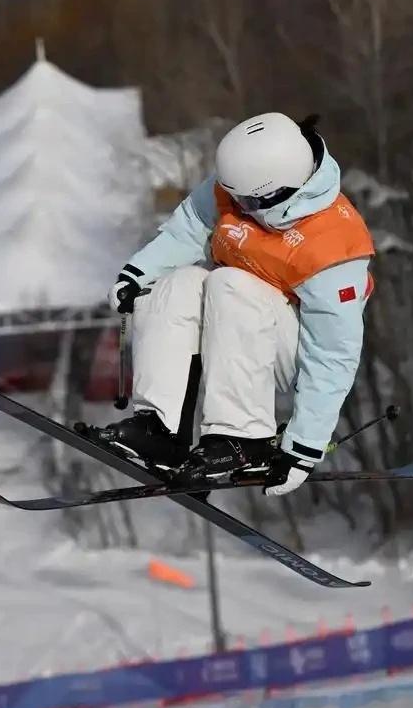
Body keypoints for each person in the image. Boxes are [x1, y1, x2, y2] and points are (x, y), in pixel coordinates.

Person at [100, 112, 374, 497]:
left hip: (288, 349)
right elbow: (191, 226)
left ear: (279, 193)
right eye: (235, 196)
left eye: (246, 200)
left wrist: (303, 448)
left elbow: (333, 355)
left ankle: (242, 439)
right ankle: (160, 430)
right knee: (180, 282)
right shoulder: (245, 183)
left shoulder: (333, 249)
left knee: (230, 283)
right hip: (232, 326)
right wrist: (138, 273)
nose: (238, 207)